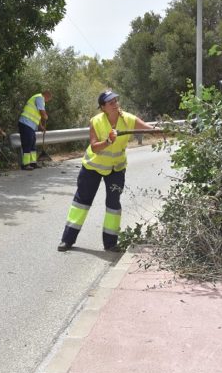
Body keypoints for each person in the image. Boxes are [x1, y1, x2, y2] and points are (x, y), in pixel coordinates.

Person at [57, 90, 158, 253]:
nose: (115, 104)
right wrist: (108, 141)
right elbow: (94, 147)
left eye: (116, 101)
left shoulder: (128, 119)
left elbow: (150, 129)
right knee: (81, 203)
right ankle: (67, 240)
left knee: (113, 205)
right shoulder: (96, 121)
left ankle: (110, 243)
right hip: (92, 167)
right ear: (103, 107)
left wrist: (165, 131)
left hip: (116, 169)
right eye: (110, 102)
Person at [18, 90, 52, 170]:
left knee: (32, 143)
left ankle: (33, 163)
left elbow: (37, 116)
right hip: (25, 123)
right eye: (48, 99)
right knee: (27, 143)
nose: (47, 101)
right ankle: (25, 164)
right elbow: (41, 112)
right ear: (47, 96)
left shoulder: (40, 100)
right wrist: (45, 116)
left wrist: (40, 127)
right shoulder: (39, 98)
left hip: (31, 125)